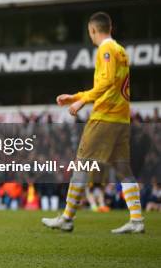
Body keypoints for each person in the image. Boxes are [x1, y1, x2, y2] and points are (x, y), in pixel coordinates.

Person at [42, 12, 144, 234]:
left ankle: (67, 218)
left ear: (93, 31)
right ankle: (137, 220)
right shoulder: (120, 51)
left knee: (81, 165)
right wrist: (79, 97)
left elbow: (106, 82)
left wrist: (81, 101)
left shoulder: (105, 49)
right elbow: (113, 84)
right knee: (122, 168)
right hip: (121, 118)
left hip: (104, 118)